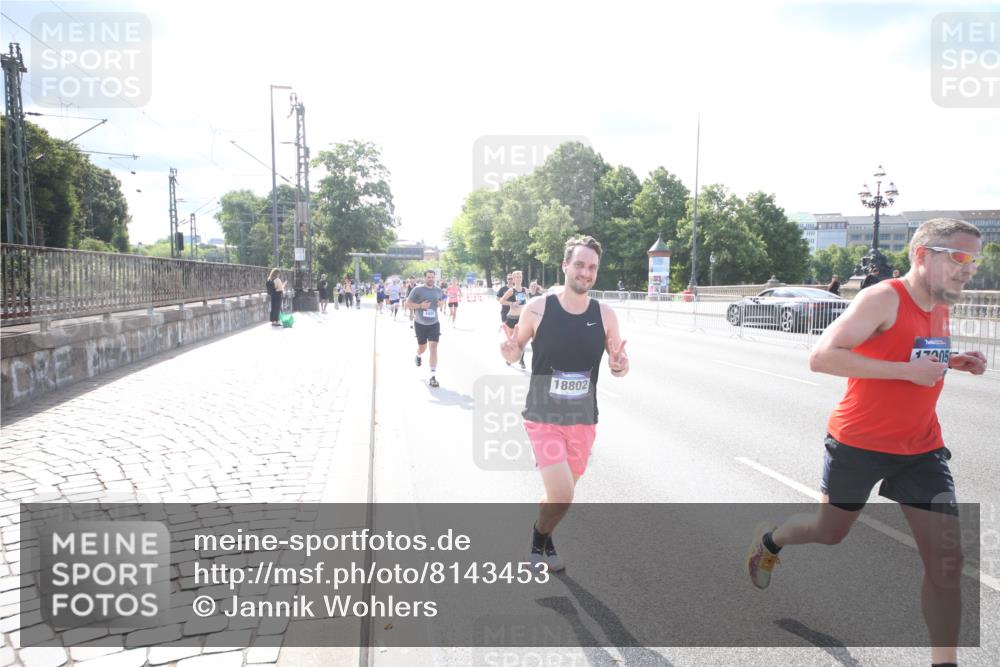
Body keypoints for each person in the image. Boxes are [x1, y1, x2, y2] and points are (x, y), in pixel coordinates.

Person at [746, 218, 986, 667]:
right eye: (959, 256)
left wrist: (955, 361)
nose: (968, 268)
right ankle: (771, 540)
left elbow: (912, 355)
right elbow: (821, 357)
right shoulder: (881, 298)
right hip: (859, 442)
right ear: (922, 255)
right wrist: (906, 372)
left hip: (921, 448)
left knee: (945, 562)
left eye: (975, 258)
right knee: (829, 532)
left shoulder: (941, 302)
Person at [500, 236, 629, 572]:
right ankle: (538, 535)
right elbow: (515, 352)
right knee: (562, 494)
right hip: (543, 416)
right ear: (565, 266)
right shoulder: (538, 308)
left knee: (562, 496)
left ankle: (543, 537)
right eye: (580, 264)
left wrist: (620, 366)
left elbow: (620, 364)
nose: (586, 272)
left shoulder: (605, 314)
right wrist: (511, 352)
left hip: (583, 419)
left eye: (592, 267)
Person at [406, 269, 445, 388]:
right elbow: (407, 304)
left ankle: (433, 376)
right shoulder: (417, 290)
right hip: (420, 324)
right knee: (423, 348)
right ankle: (418, 354)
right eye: (428, 277)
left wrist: (441, 304)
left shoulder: (438, 290)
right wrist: (420, 306)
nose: (431, 279)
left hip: (434, 323)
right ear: (424, 278)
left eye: (432, 277)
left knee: (433, 348)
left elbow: (441, 302)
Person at [500, 270, 530, 369]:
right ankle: (509, 358)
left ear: (522, 278)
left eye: (520, 276)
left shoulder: (525, 290)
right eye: (516, 277)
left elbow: (528, 301)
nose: (518, 278)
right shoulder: (511, 290)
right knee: (511, 341)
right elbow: (501, 300)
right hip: (512, 319)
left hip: (521, 319)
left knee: (521, 341)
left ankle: (521, 361)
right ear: (513, 279)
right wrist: (512, 304)